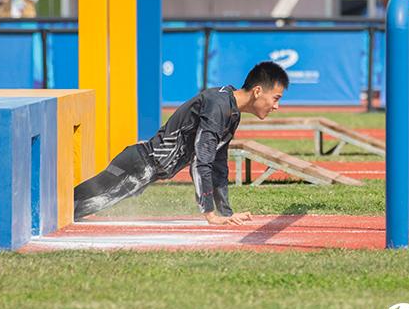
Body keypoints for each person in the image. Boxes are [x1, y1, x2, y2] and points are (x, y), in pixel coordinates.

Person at [74, 61, 290, 225]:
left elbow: (218, 164)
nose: (276, 106)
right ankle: (44, 204)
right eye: (276, 98)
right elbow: (201, 161)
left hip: (144, 170)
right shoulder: (218, 106)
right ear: (258, 91)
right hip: (138, 165)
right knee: (75, 206)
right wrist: (209, 213)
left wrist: (226, 212)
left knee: (80, 209)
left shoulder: (231, 112)